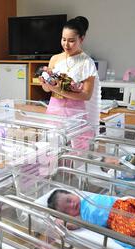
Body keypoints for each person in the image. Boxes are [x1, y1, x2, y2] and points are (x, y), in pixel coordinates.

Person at [39, 16, 101, 149]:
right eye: (63, 39)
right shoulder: (55, 59)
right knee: (53, 149)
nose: (66, 44)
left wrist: (56, 88)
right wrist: (45, 83)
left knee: (77, 150)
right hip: (54, 110)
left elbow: (86, 95)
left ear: (82, 39)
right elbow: (47, 90)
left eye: (71, 41)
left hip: (75, 113)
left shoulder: (87, 62)